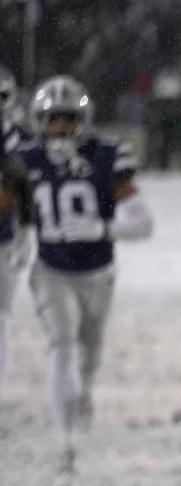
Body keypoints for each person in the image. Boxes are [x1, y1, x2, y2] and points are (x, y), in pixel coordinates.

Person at [9, 76, 154, 472]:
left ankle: (84, 392)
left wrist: (102, 228)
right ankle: (65, 441)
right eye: (53, 120)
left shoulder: (106, 156)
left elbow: (144, 225)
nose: (60, 128)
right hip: (51, 270)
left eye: (67, 120)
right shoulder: (23, 158)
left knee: (89, 356)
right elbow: (15, 208)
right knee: (62, 345)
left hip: (98, 272)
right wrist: (20, 237)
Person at [0, 64, 34, 402]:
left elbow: (27, 192)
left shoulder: (18, 141)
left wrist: (25, 234)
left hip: (4, 238)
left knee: (1, 317)